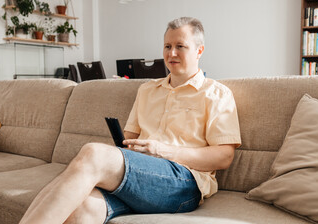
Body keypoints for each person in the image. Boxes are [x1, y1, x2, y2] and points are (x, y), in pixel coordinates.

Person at [19, 17, 241, 224]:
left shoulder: (216, 93)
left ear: (199, 50)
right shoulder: (147, 90)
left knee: (93, 153)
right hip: (141, 175)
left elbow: (224, 157)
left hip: (184, 182)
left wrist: (162, 150)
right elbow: (129, 140)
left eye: (180, 46)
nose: (171, 53)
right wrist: (125, 150)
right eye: (167, 46)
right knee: (84, 206)